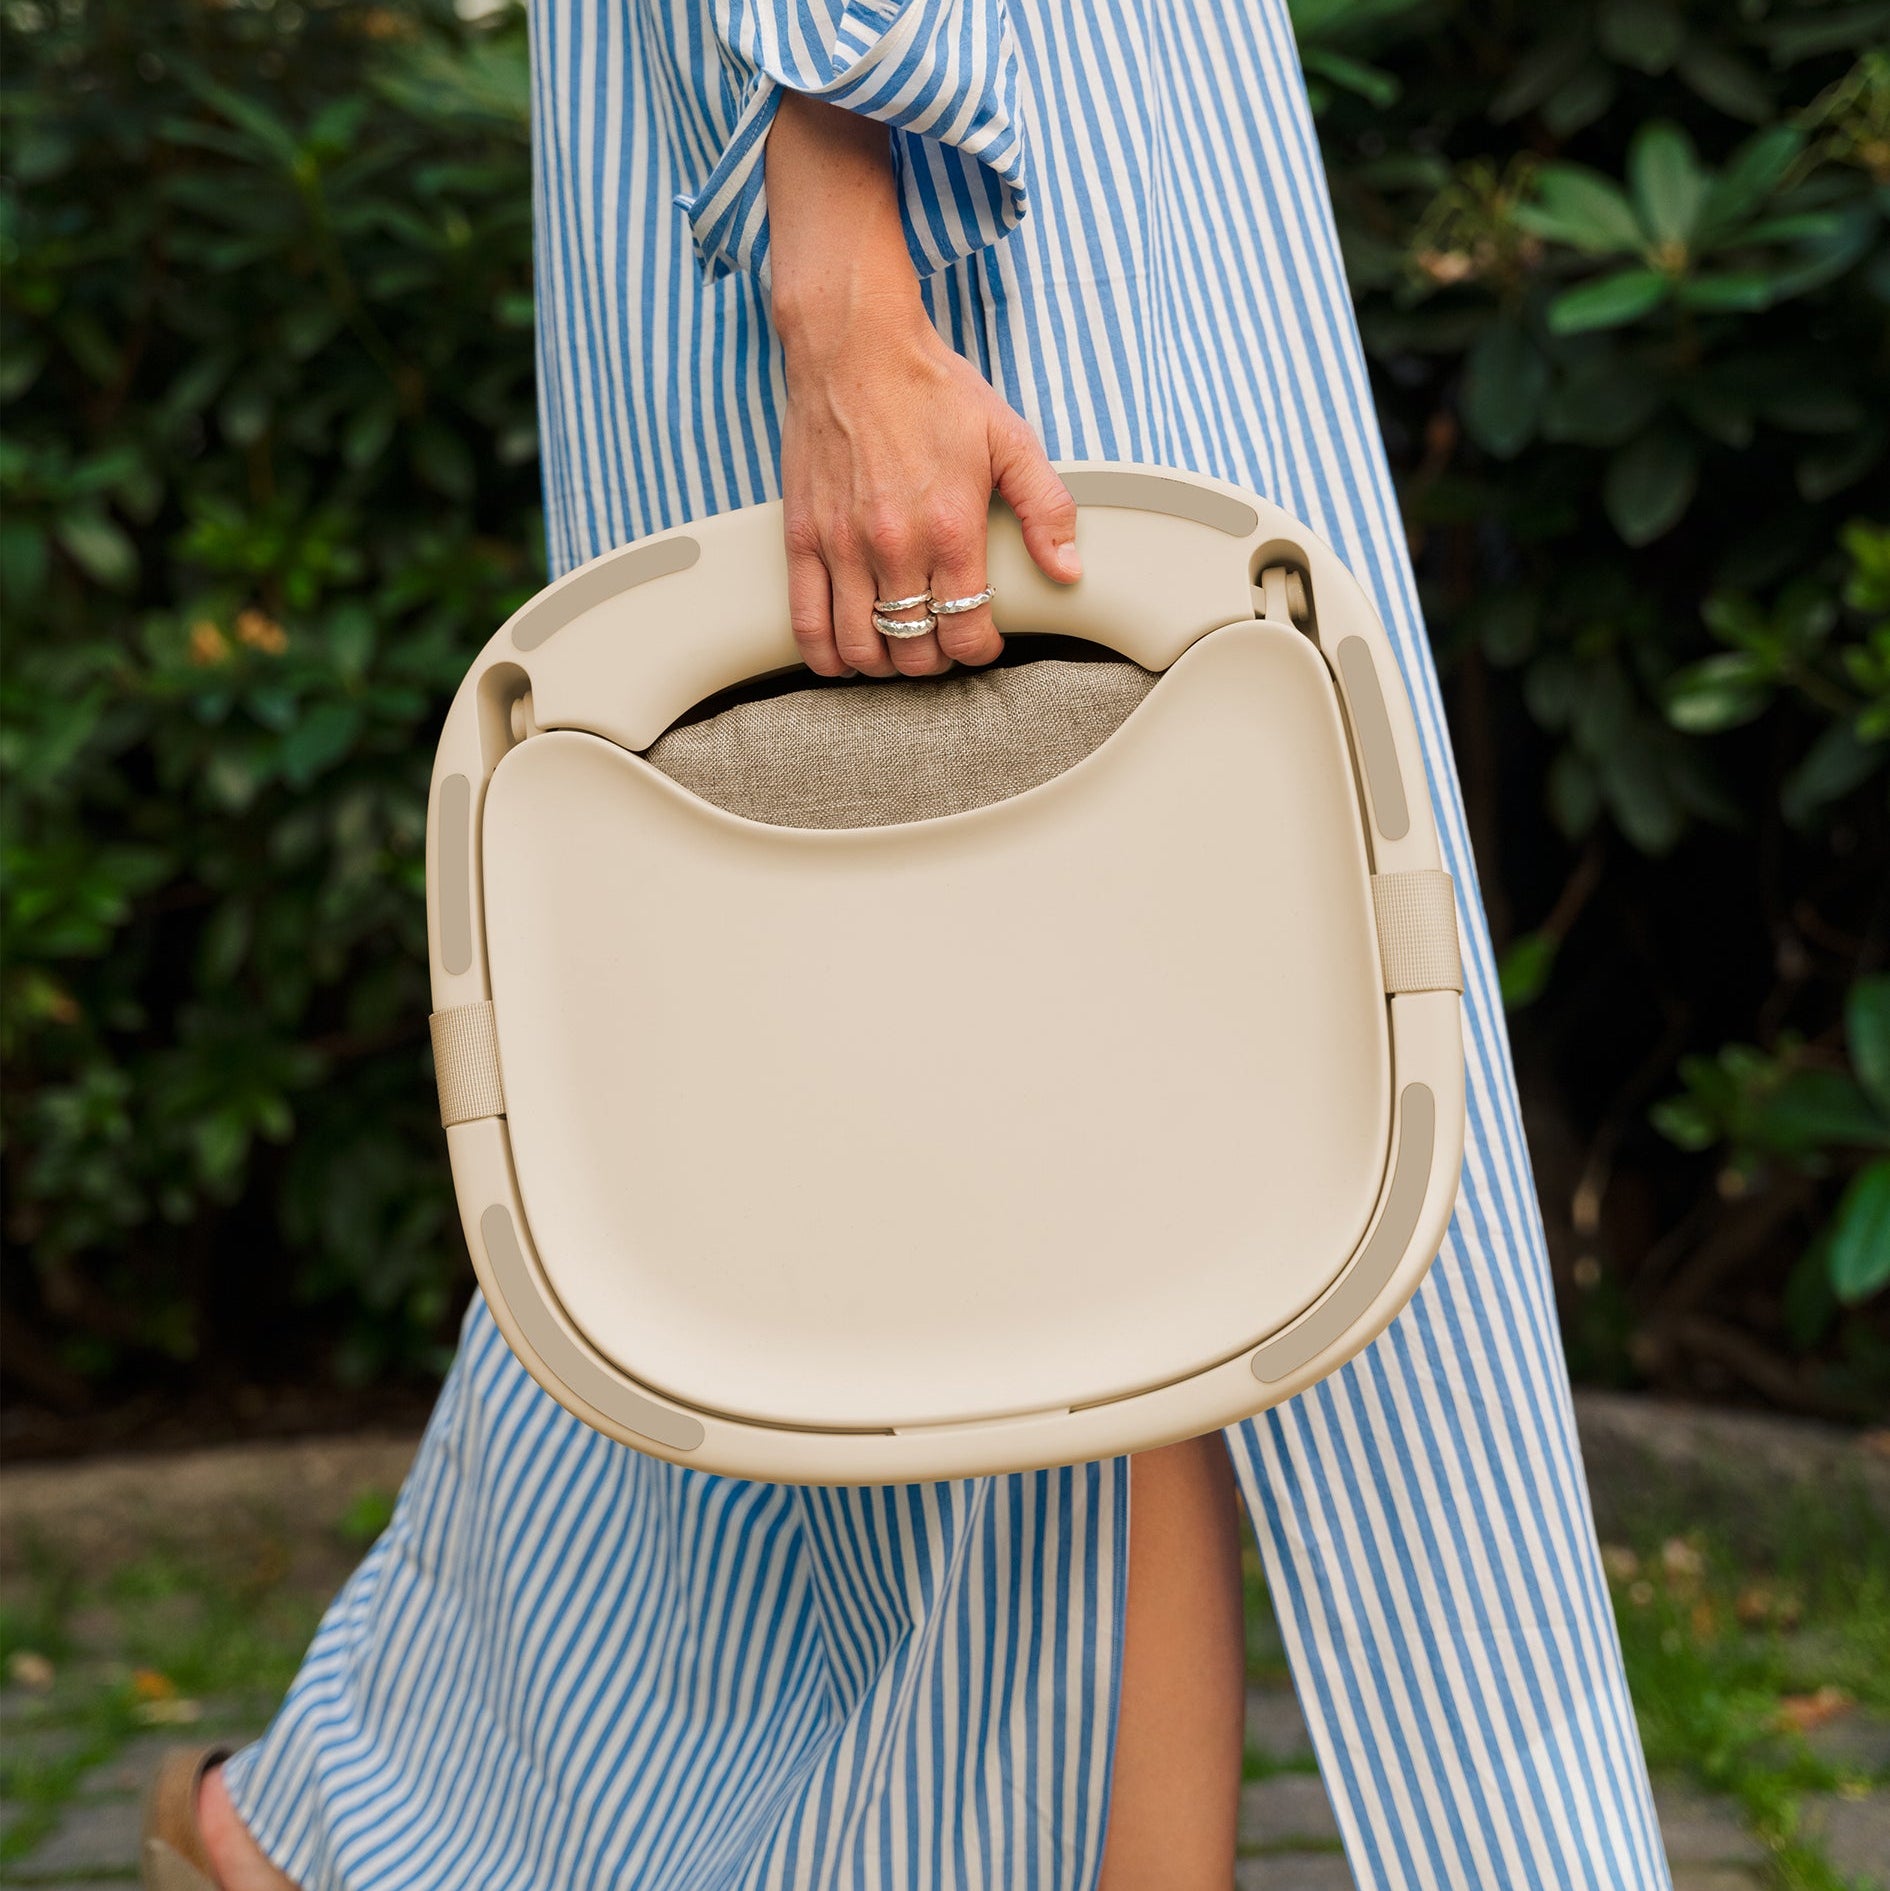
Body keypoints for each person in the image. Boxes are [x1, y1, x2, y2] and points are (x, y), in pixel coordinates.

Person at [144, 2, 1673, 1886]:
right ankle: (357, 1818)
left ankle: (363, 1815)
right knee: (1073, 1152)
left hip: (1056, 145)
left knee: (904, 1146)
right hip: (938, 184)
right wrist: (842, 244)